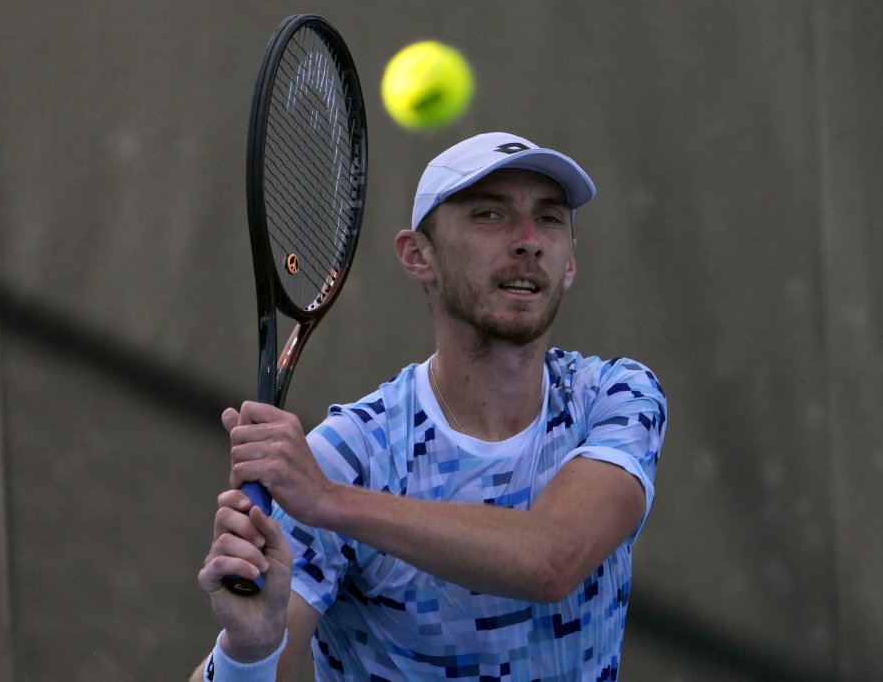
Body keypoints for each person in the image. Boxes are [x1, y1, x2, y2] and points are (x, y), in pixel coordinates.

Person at [192, 132, 668, 681]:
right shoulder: (349, 457)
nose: (530, 240)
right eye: (489, 215)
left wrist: (329, 502)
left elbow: (553, 560)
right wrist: (247, 652)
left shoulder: (616, 397)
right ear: (418, 256)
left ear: (569, 263)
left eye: (551, 218)